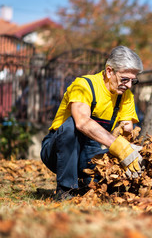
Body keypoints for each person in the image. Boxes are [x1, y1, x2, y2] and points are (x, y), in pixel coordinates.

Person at [41, 46, 144, 201]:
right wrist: (119, 147)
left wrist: (133, 151)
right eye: (125, 79)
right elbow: (82, 122)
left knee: (105, 187)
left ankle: (83, 183)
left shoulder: (125, 95)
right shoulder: (83, 85)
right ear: (109, 71)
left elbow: (127, 129)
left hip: (90, 151)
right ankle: (65, 190)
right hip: (57, 150)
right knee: (72, 126)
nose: (129, 85)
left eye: (133, 81)